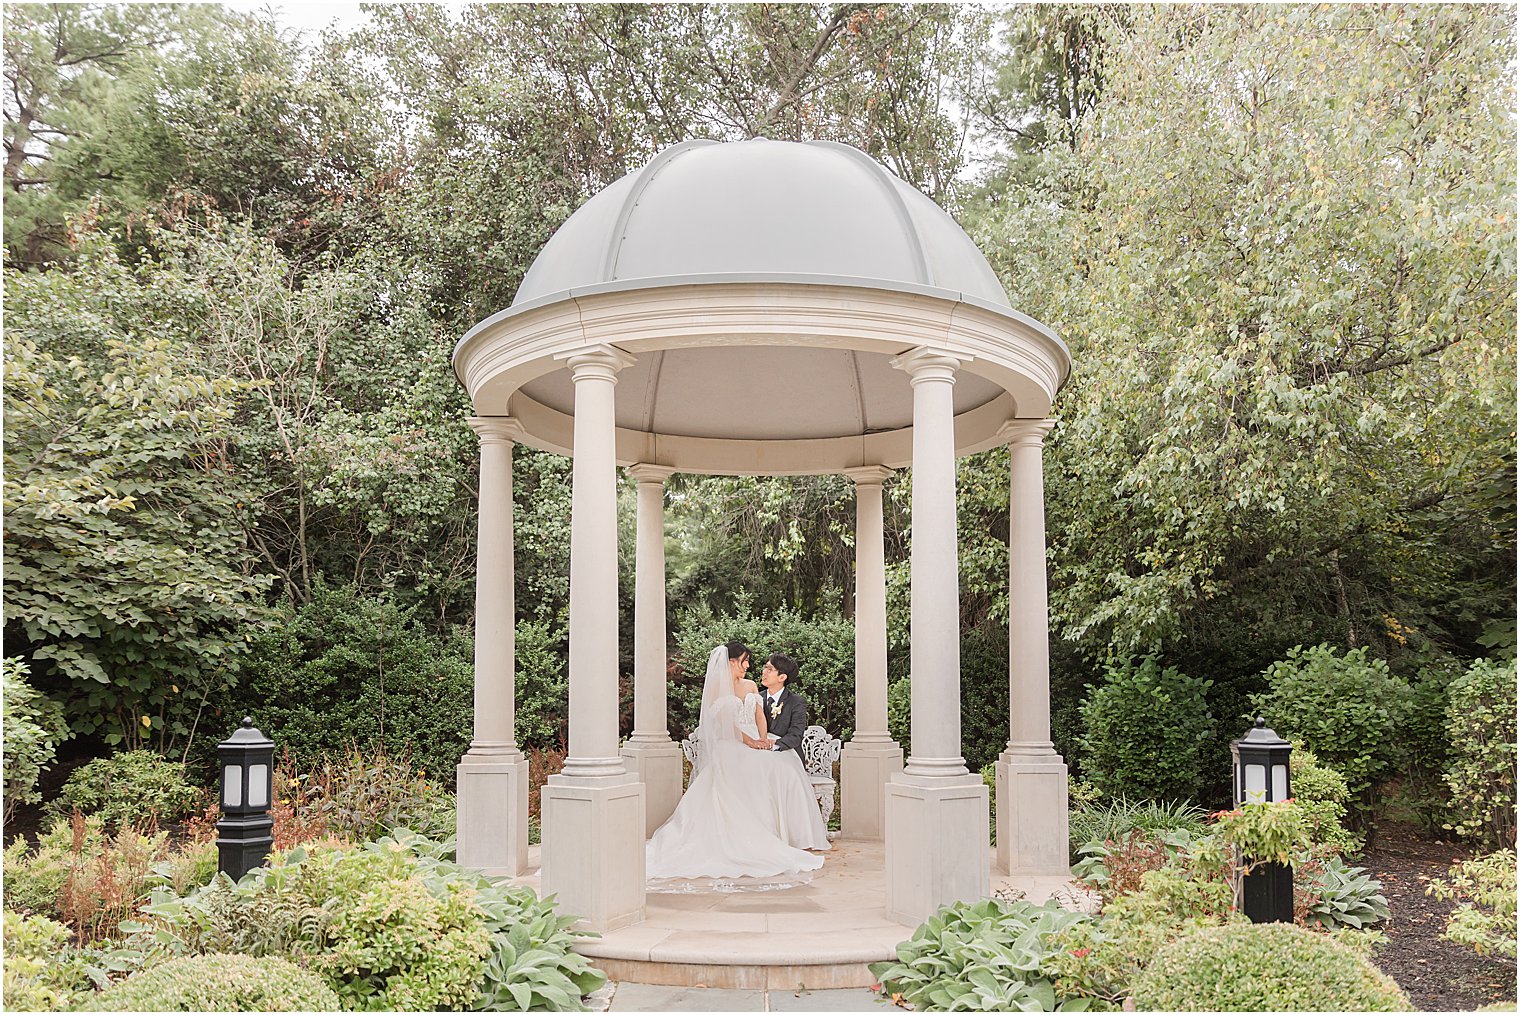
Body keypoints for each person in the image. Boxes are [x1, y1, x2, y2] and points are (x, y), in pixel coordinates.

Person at [645, 642, 829, 882]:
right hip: (731, 743)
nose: (749, 666)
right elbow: (725, 725)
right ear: (732, 662)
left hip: (754, 738)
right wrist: (750, 742)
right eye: (745, 661)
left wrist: (762, 739)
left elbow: (759, 715)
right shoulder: (715, 690)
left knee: (772, 765)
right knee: (746, 768)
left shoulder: (751, 685)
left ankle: (776, 832)